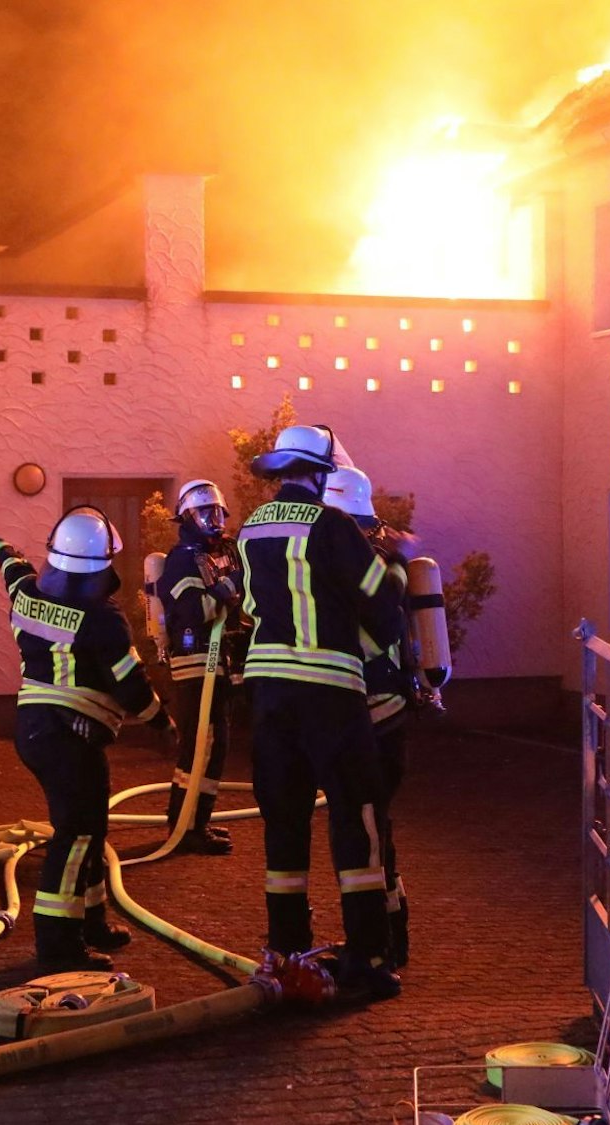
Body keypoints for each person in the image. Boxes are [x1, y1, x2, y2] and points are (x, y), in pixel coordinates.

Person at [236, 424, 408, 1000]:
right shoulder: (333, 525)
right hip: (330, 690)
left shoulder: (249, 530)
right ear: (323, 472)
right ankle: (368, 958)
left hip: (267, 694)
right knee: (355, 820)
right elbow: (382, 611)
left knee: (284, 824)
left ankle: (286, 950)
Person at [0, 508, 180, 970]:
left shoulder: (27, 593)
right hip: (71, 738)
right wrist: (162, 724)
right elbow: (130, 687)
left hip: (35, 732)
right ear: (104, 565)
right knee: (74, 839)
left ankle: (93, 922)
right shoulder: (103, 621)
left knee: (90, 831)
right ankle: (58, 947)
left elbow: (14, 569)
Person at [323, 465, 418, 969]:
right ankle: (389, 938)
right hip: (374, 719)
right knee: (375, 833)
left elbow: (369, 635)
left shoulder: (374, 570)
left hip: (372, 724)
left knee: (364, 834)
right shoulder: (372, 561)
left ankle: (378, 946)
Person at [153, 478, 242, 855]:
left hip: (221, 660)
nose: (214, 519)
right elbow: (191, 612)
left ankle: (197, 822)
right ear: (186, 516)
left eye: (218, 510)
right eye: (205, 511)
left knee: (215, 746)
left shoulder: (228, 552)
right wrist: (228, 594)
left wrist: (232, 589)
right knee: (199, 746)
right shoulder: (182, 559)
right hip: (194, 662)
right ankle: (183, 824)